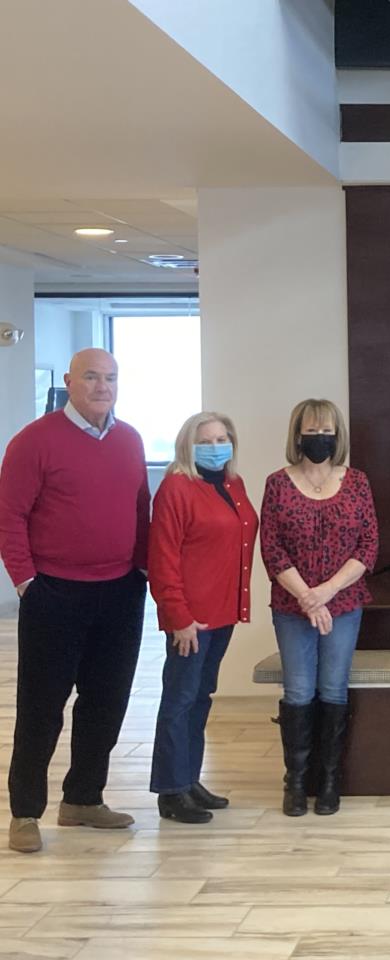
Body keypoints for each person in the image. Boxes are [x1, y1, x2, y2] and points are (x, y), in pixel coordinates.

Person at [0, 348, 150, 854]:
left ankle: (83, 799)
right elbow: (10, 516)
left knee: (106, 704)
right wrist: (26, 583)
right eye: (91, 377)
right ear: (69, 381)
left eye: (110, 377)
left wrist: (143, 572)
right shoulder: (34, 441)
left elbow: (140, 510)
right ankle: (24, 813)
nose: (102, 386)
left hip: (120, 591)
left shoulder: (129, 439)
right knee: (41, 708)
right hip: (54, 593)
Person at [260, 399, 378, 817]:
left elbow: (368, 547)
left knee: (332, 689)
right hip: (292, 607)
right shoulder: (277, 484)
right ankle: (295, 782)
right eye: (311, 430)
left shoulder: (358, 482)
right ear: (297, 435)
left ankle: (329, 781)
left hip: (343, 604)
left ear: (337, 434)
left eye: (326, 430)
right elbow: (271, 550)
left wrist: (324, 592)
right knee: (297, 691)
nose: (319, 437)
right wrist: (306, 597)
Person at [147, 412, 259, 824]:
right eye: (206, 440)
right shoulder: (177, 488)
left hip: (223, 612)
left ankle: (188, 779)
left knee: (200, 696)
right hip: (190, 619)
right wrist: (178, 616)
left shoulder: (233, 484)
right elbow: (162, 558)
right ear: (187, 447)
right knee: (179, 699)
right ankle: (171, 791)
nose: (216, 446)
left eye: (222, 437)